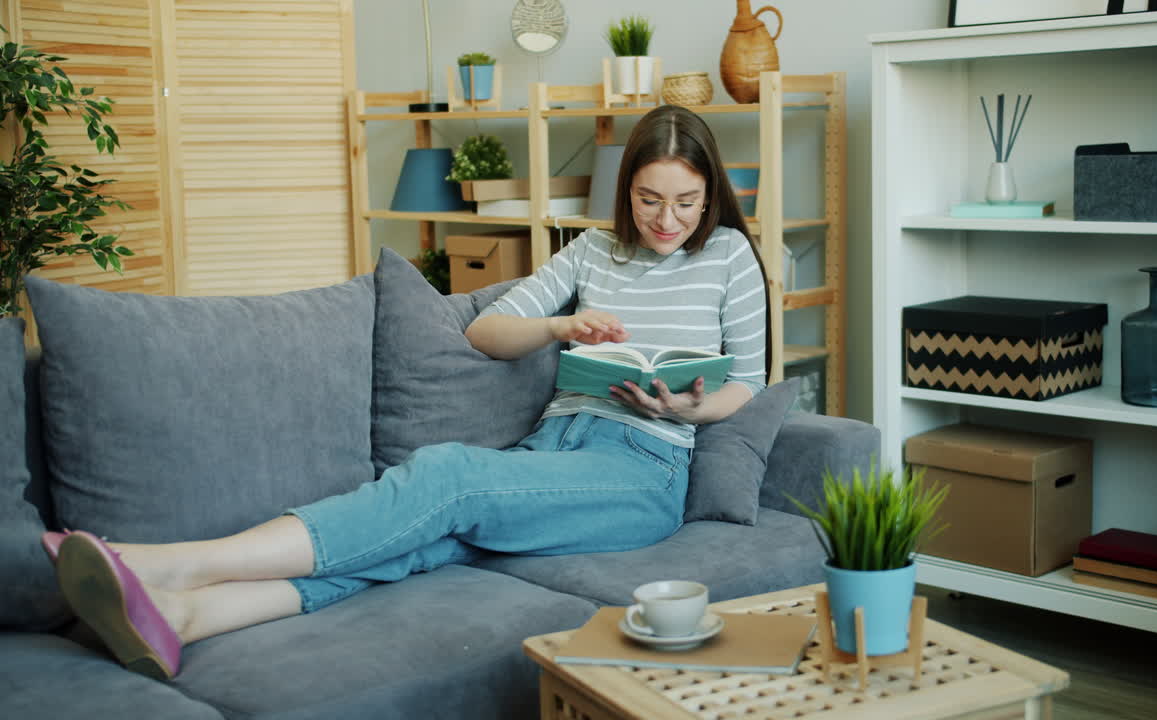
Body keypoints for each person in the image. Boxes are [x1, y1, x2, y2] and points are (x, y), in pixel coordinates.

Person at [46, 104, 771, 681]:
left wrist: (688, 408)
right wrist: (560, 326)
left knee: (448, 478)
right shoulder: (591, 251)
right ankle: (186, 617)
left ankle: (180, 562)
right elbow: (485, 332)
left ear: (710, 195)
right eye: (649, 199)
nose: (667, 220)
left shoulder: (729, 255)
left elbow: (748, 384)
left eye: (686, 202)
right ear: (626, 192)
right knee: (424, 540)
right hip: (555, 444)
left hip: (642, 466)